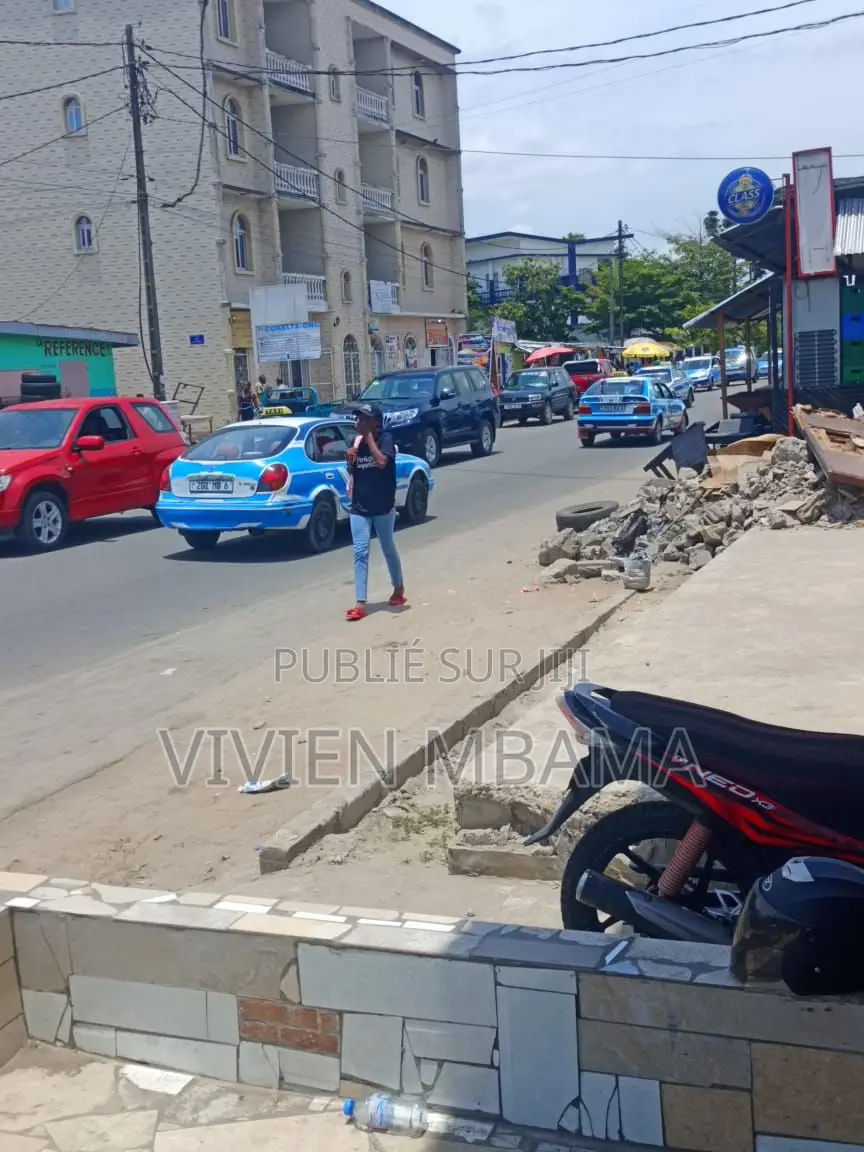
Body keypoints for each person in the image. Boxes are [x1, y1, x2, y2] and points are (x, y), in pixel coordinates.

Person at [345, 402, 405, 622]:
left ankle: (398, 588)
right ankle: (360, 602)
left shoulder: (385, 439)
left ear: (374, 422)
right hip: (359, 506)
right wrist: (349, 459)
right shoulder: (356, 441)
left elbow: (381, 462)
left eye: (363, 419)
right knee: (360, 552)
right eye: (358, 419)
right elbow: (354, 471)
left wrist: (368, 437)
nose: (359, 422)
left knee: (387, 547)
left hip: (382, 506)